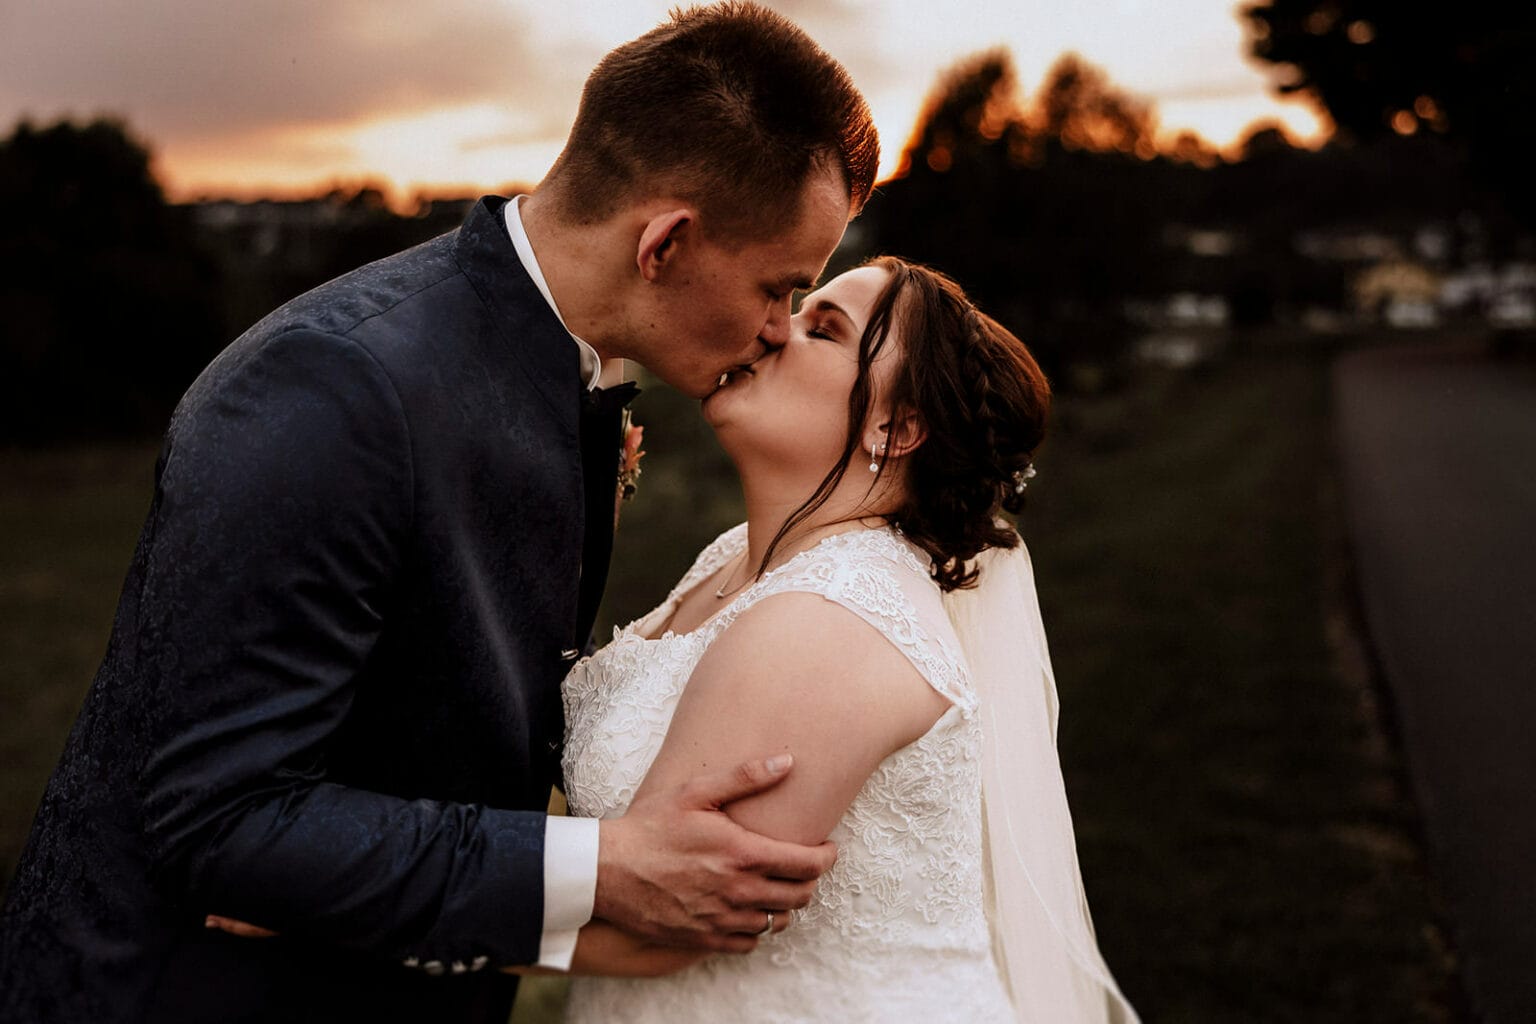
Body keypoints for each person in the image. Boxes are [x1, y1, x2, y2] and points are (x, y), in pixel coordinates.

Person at [0, 4, 878, 1022]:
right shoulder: (334, 386)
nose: (777, 331)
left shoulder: (565, 378)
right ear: (666, 243)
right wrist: (602, 868)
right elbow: (217, 822)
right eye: (780, 288)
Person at [551, 256, 1142, 1021]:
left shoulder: (832, 617)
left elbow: (660, 921)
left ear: (896, 427)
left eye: (821, 329)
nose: (771, 328)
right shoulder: (735, 557)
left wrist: (400, 911)